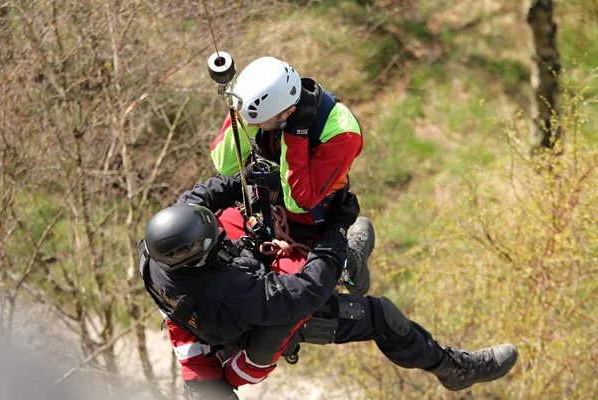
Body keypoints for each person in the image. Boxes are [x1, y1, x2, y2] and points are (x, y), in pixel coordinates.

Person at [139, 174, 518, 400]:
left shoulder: (159, 248)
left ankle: (348, 262)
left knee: (250, 214)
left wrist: (252, 179)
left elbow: (201, 196)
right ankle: (453, 368)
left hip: (230, 298)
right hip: (265, 326)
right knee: (381, 316)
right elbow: (306, 290)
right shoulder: (234, 296)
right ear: (202, 254)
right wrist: (336, 232)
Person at [209, 56, 371, 295]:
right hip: (264, 208)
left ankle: (351, 261)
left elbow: (299, 202)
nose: (251, 125)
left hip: (311, 221)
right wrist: (247, 118)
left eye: (256, 122)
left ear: (287, 113)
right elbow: (225, 165)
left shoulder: (341, 132)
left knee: (301, 291)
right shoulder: (268, 105)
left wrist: (297, 135)